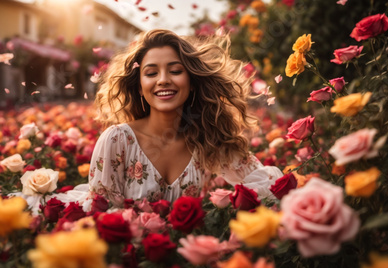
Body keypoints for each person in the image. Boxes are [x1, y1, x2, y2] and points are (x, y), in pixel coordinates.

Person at [72, 29, 282, 209]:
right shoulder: (117, 140)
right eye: (152, 73)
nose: (163, 80)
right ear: (139, 87)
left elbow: (267, 185)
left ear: (191, 82)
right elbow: (99, 213)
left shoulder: (211, 139)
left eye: (175, 71)